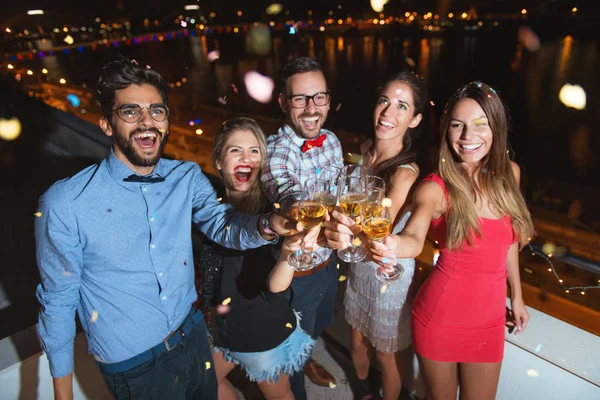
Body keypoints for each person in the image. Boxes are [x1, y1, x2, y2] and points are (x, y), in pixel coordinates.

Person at [34, 60, 300, 400]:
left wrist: (270, 223)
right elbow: (57, 303)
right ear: (106, 123)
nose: (147, 121)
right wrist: (62, 395)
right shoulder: (65, 202)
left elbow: (223, 225)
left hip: (194, 337)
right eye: (130, 112)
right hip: (134, 367)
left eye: (156, 111)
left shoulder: (186, 176)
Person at [328, 81, 535, 400]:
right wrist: (394, 244)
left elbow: (509, 241)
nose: (467, 137)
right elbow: (413, 237)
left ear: (497, 126)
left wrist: (517, 295)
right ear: (445, 131)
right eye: (457, 125)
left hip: (491, 319)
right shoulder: (435, 187)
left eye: (480, 125)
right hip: (442, 317)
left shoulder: (512, 174)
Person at [197, 117, 314, 400]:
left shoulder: (272, 214)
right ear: (218, 162)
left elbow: (276, 287)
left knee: (280, 395)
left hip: (260, 333)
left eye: (254, 151)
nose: (245, 158)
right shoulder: (208, 208)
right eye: (235, 150)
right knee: (203, 383)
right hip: (223, 329)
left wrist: (288, 253)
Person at [261, 56, 344, 398]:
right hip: (296, 274)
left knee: (317, 326)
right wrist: (302, 211)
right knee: (291, 345)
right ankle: (296, 382)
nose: (311, 109)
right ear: (283, 102)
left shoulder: (334, 141)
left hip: (329, 263)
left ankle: (309, 358)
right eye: (300, 99)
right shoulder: (275, 151)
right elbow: (287, 192)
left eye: (318, 97)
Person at [342, 71, 427, 400]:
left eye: (402, 106)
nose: (389, 112)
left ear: (415, 120)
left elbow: (381, 226)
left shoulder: (404, 172)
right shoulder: (364, 150)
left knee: (383, 353)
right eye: (384, 101)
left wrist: (341, 221)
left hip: (385, 271)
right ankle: (364, 393)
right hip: (358, 262)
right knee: (356, 343)